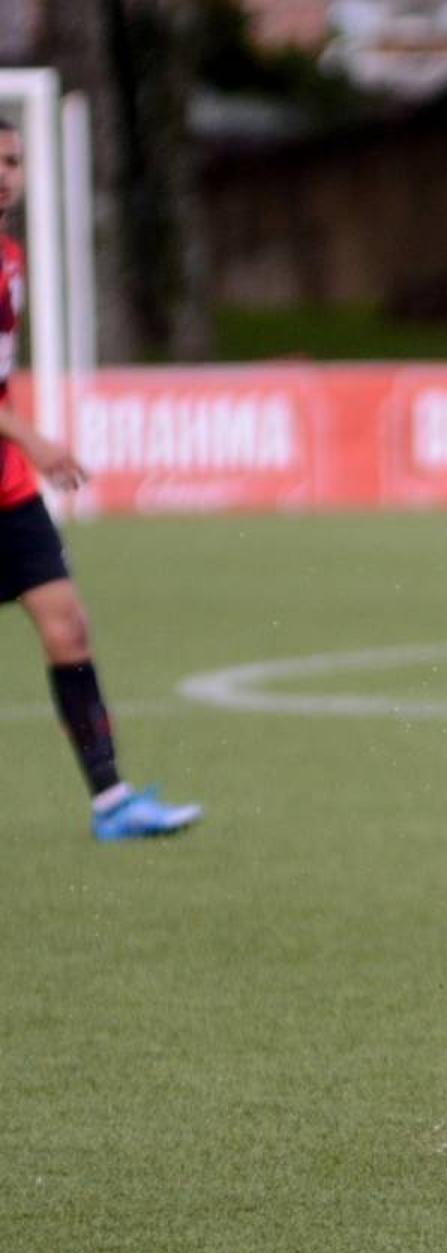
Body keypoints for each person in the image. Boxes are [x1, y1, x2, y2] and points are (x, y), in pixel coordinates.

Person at [0, 117, 201, 843]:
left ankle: (111, 800)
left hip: (10, 494)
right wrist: (34, 438)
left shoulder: (10, 256)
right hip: (18, 463)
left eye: (14, 160)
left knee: (68, 628)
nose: (6, 173)